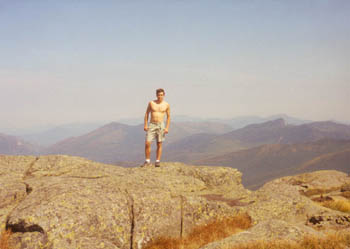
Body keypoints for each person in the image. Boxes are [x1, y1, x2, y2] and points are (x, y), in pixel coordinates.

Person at [142, 88, 170, 167]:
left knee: (159, 143)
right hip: (152, 124)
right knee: (147, 143)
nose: (160, 96)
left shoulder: (166, 105)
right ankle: (147, 161)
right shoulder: (151, 103)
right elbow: (147, 114)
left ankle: (157, 161)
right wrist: (145, 125)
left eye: (161, 95)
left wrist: (167, 127)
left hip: (161, 125)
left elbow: (168, 117)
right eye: (158, 95)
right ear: (156, 95)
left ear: (164, 95)